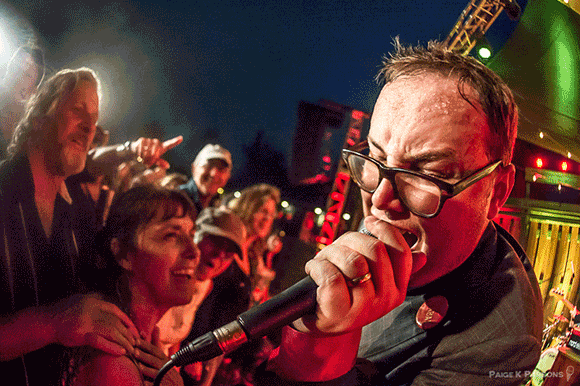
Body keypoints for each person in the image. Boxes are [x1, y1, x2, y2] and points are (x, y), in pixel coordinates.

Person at [256, 39, 543, 386]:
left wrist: (317, 352)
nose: (379, 199)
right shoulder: (399, 221)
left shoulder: (500, 343)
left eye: (427, 174)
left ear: (496, 191)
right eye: (376, 159)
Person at [0, 67, 139, 386]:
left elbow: (91, 316)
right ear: (40, 117)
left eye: (94, 118)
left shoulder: (82, 216)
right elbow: (69, 321)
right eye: (78, 110)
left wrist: (143, 359)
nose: (89, 127)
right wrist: (52, 323)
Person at [62, 184, 200, 385]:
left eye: (192, 235)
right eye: (171, 235)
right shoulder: (113, 360)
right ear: (123, 253)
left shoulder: (139, 346)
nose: (194, 251)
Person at [156, 206, 247, 386]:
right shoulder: (165, 270)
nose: (220, 255)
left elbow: (174, 335)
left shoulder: (206, 286)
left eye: (228, 253)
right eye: (215, 242)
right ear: (195, 234)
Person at [0, 43, 45, 157]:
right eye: (15, 67)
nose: (17, 75)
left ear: (34, 91)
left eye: (27, 74)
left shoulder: (30, 140)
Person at [180, 143, 232, 213]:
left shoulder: (219, 207)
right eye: (208, 166)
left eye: (221, 169)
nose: (214, 174)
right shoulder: (176, 199)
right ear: (194, 168)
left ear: (228, 176)